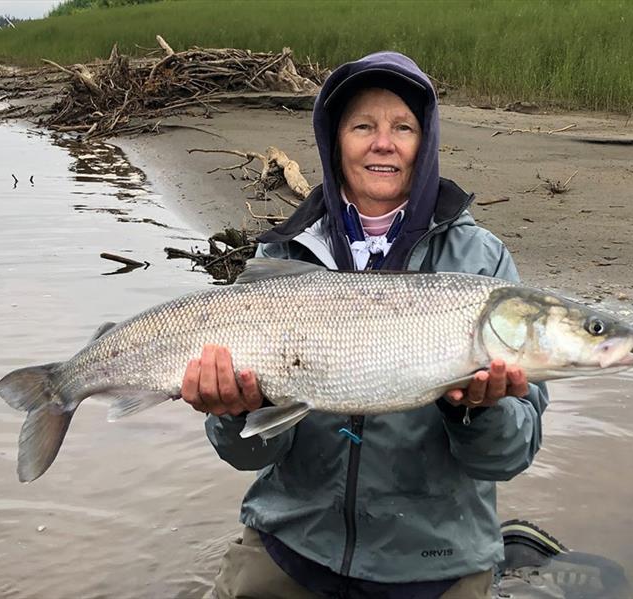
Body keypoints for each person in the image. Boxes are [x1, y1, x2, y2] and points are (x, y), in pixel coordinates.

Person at [181, 51, 549, 599]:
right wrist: (237, 412)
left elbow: (510, 456)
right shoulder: (281, 253)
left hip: (436, 564)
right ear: (335, 142)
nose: (384, 142)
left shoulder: (483, 266)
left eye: (403, 127)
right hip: (291, 547)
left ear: (425, 144)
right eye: (362, 126)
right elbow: (246, 454)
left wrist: (477, 409)